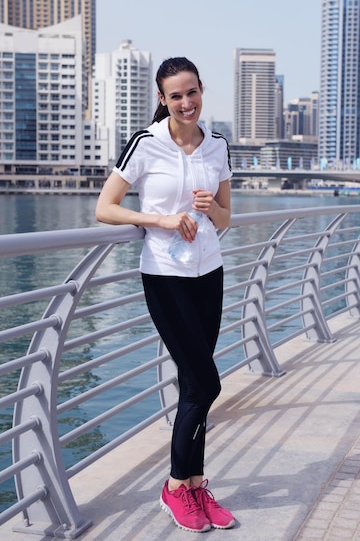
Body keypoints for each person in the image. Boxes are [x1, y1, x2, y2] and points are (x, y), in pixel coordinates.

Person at [96, 57, 235, 533]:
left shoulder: (217, 145)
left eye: (192, 92)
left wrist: (209, 205)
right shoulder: (145, 144)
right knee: (207, 384)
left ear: (202, 91)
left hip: (209, 273)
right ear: (162, 99)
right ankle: (176, 486)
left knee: (194, 386)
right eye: (175, 95)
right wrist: (161, 219)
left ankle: (196, 485)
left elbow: (225, 220)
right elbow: (105, 208)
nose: (186, 102)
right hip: (164, 275)